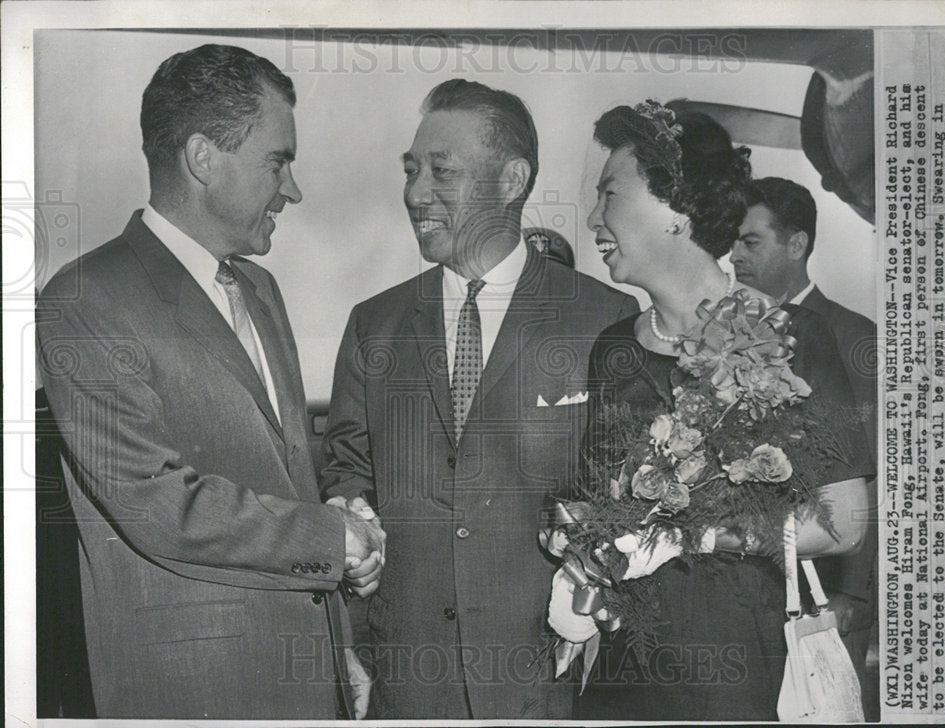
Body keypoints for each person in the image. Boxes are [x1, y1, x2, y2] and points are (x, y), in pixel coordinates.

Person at [36, 44, 384, 720]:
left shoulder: (260, 289)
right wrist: (332, 537)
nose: (293, 189)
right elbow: (153, 502)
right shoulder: (85, 299)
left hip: (309, 678)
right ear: (203, 157)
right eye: (277, 162)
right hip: (194, 689)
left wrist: (337, 646)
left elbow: (290, 479)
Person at [320, 79, 638, 720]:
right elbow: (347, 470)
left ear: (513, 179)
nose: (415, 193)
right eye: (411, 171)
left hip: (546, 679)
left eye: (442, 171)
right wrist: (348, 522)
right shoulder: (372, 324)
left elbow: (626, 497)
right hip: (405, 679)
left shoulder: (604, 319)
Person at [570, 101, 873, 721]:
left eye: (610, 195)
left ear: (677, 210)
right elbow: (601, 504)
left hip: (743, 671)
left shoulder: (793, 335)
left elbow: (844, 523)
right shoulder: (613, 350)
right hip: (626, 671)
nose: (595, 219)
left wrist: (705, 535)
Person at [733, 176, 878, 718]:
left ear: (796, 245)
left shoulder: (850, 335)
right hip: (752, 585)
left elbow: (870, 479)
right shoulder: (728, 328)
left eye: (751, 241)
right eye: (733, 241)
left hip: (828, 596)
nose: (734, 255)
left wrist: (853, 598)